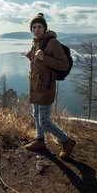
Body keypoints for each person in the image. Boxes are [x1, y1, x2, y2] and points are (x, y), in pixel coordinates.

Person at [25, 13, 75, 159]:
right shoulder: (36, 42)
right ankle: (40, 141)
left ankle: (67, 141)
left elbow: (63, 64)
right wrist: (32, 58)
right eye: (33, 27)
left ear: (45, 28)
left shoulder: (52, 42)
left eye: (39, 26)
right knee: (36, 116)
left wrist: (43, 57)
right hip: (35, 87)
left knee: (45, 122)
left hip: (45, 88)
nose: (36, 29)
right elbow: (40, 66)